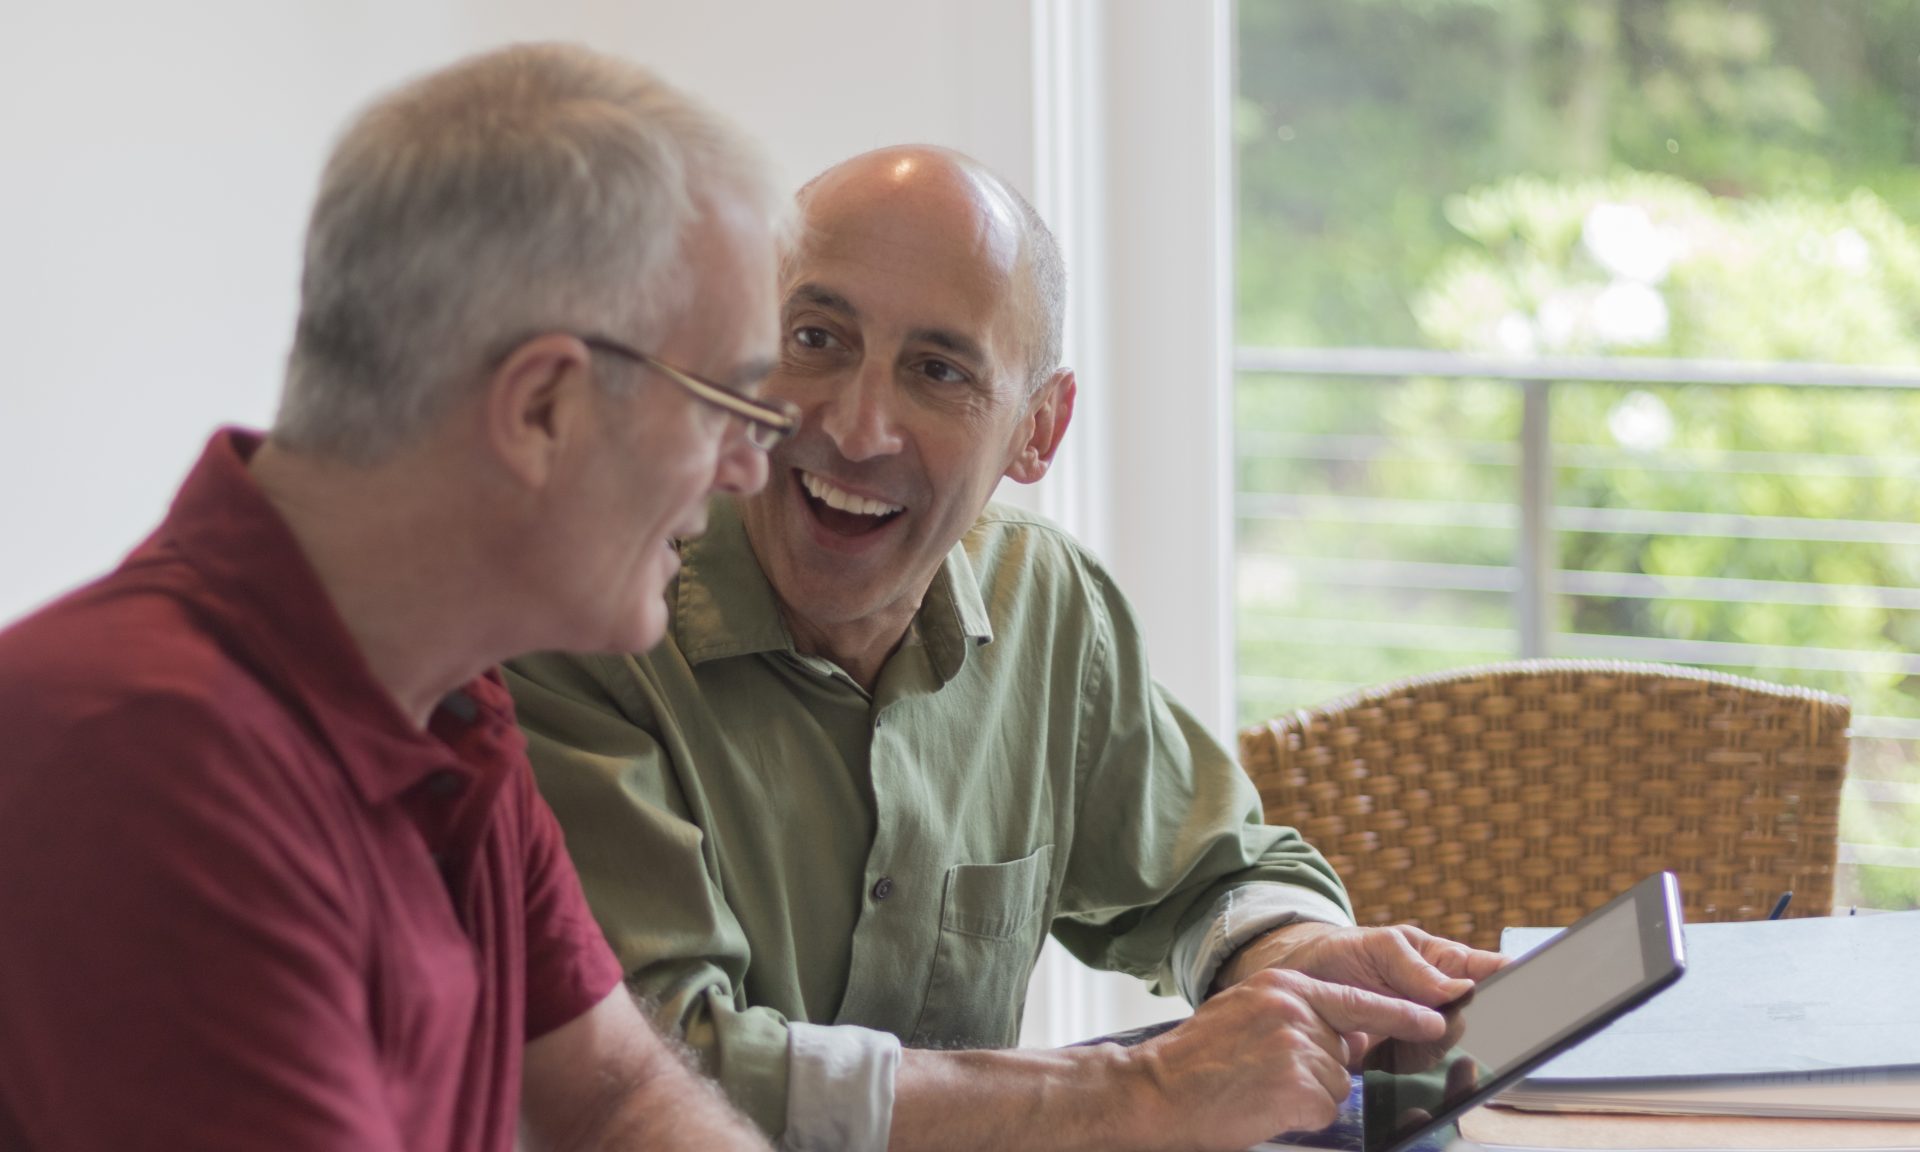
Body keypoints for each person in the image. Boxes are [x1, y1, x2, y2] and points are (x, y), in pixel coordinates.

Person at [505, 145, 1506, 1152]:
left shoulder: (1043, 599)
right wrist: (1139, 1092)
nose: (857, 428)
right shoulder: (582, 624)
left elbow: (1215, 873)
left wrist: (1291, 951)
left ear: (1039, 429)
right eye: (816, 339)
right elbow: (658, 1076)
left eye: (939, 371)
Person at [0, 43, 795, 1152]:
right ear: (544, 407)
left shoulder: (449, 704)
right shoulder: (144, 751)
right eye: (726, 405)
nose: (750, 469)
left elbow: (616, 1096)